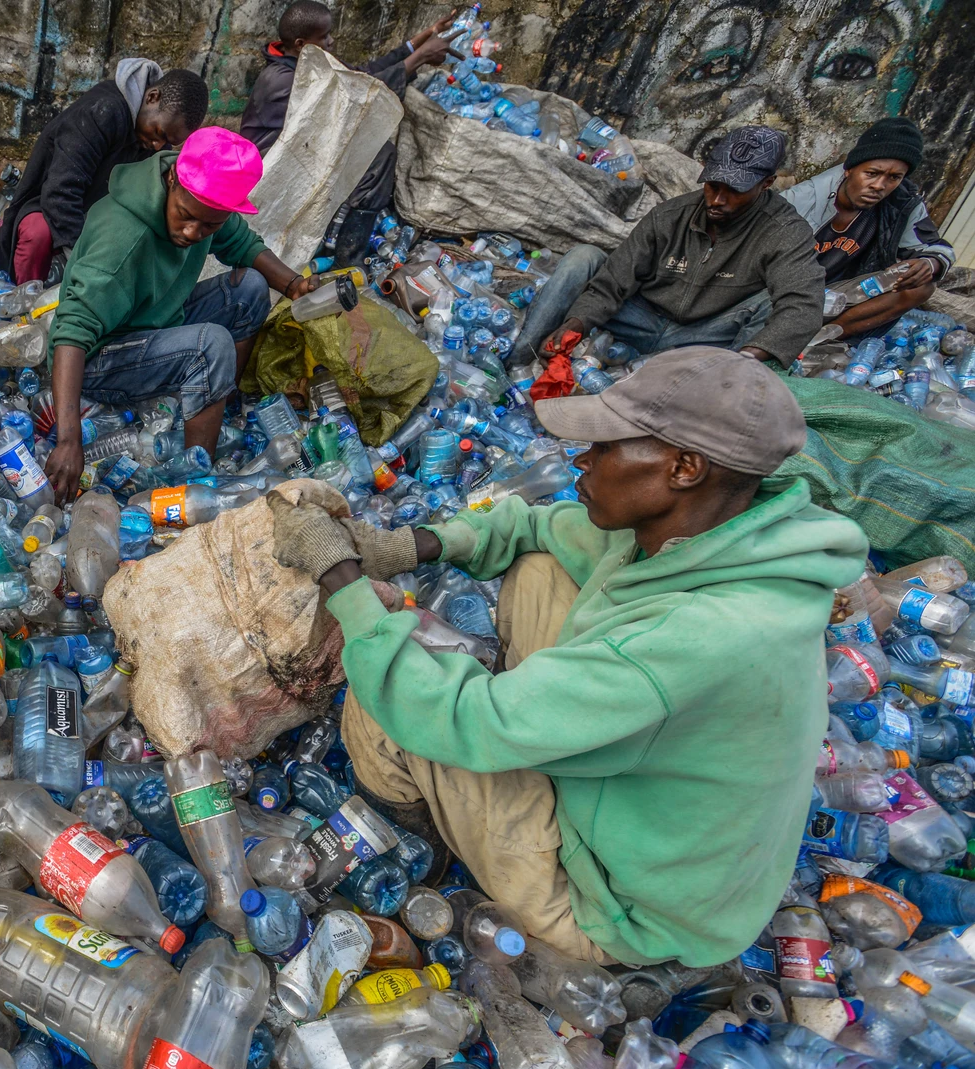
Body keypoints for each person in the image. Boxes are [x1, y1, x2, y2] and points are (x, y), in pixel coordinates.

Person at [268, 346, 866, 966]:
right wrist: (409, 545)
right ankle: (526, 736)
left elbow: (464, 717)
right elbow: (542, 527)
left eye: (606, 447)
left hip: (616, 907)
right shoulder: (720, 531)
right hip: (649, 824)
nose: (582, 459)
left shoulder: (704, 635)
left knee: (388, 692)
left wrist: (340, 576)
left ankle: (416, 851)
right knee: (543, 568)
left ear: (684, 468)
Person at [42, 127, 319, 503]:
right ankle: (194, 483)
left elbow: (241, 243)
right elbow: (72, 332)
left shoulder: (202, 203)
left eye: (209, 225)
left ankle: (217, 402)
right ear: (173, 179)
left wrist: (293, 285)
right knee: (211, 345)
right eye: (186, 216)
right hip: (99, 360)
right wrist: (69, 440)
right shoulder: (122, 239)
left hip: (154, 323)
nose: (192, 232)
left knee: (251, 288)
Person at [517, 126, 824, 368]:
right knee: (584, 257)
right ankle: (518, 360)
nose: (717, 200)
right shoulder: (670, 215)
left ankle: (717, 389)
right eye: (713, 186)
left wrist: (742, 362)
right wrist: (576, 324)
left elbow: (803, 307)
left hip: (704, 339)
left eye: (734, 190)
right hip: (639, 320)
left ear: (766, 183)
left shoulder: (785, 231)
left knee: (774, 304)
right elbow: (614, 281)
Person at [241, 4, 453, 261]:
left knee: (380, 151)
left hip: (307, 151)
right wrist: (419, 58)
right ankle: (347, 258)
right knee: (378, 158)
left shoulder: (311, 63)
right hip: (274, 171)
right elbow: (351, 103)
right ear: (301, 44)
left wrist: (422, 40)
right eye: (324, 37)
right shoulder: (283, 80)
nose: (331, 42)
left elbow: (363, 76)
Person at [0, 63, 210, 284]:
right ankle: (22, 299)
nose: (158, 145)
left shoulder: (154, 142)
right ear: (152, 97)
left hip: (97, 216)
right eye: (159, 133)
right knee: (38, 233)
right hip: (45, 205)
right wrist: (86, 259)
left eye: (168, 142)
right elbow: (60, 192)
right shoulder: (103, 112)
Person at [782, 117, 956, 338]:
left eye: (894, 177)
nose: (879, 186)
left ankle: (827, 337)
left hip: (840, 294)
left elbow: (933, 246)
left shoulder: (902, 202)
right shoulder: (801, 199)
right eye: (872, 173)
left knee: (921, 285)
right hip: (786, 295)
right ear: (849, 169)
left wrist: (930, 264)